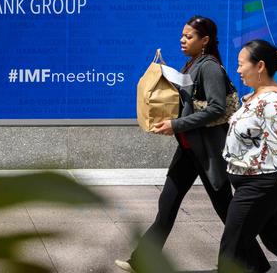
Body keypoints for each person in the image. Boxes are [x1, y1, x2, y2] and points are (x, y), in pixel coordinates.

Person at [115, 16, 268, 273]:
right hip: (189, 149)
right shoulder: (192, 64)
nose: (182, 40)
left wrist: (176, 125)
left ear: (205, 40)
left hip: (207, 151)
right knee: (167, 205)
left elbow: (217, 108)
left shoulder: (208, 66)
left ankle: (254, 262)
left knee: (226, 209)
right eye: (182, 35)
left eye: (189, 36)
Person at [218, 39, 277, 273]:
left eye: (240, 64)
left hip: (260, 183)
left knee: (231, 248)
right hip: (251, 181)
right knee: (275, 239)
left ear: (260, 66)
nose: (237, 70)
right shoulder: (256, 97)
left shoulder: (274, 102)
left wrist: (276, 183)